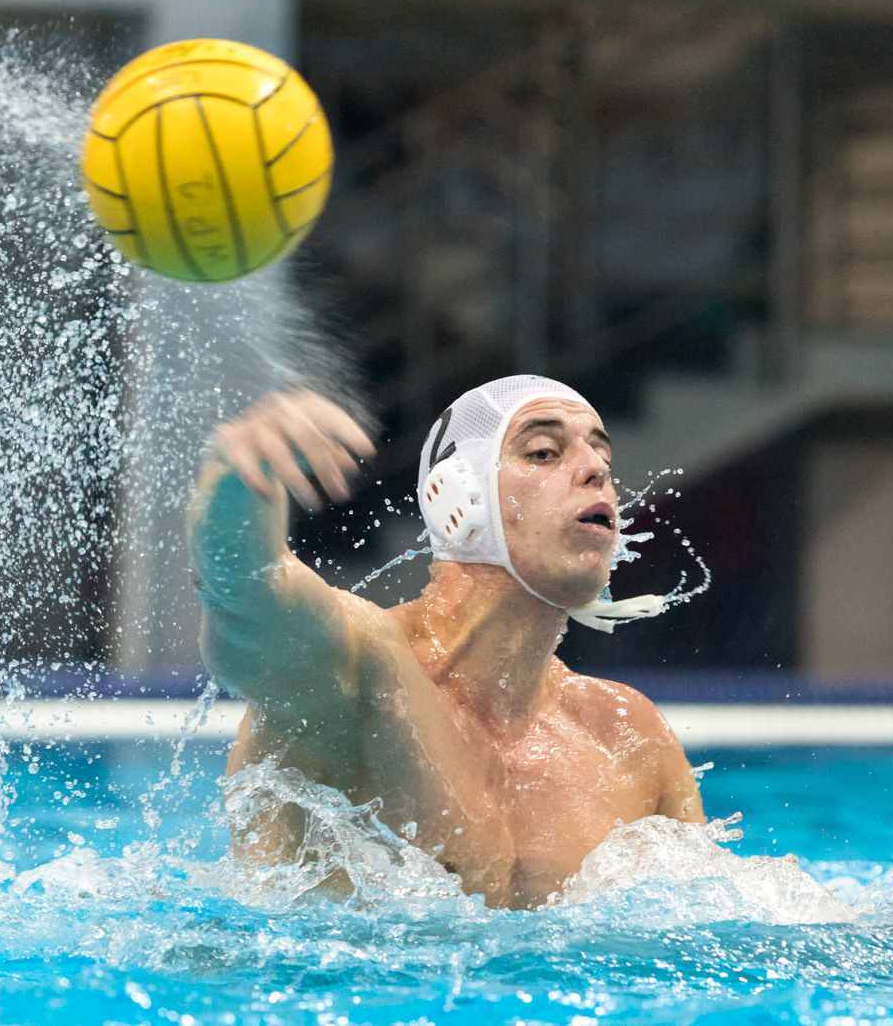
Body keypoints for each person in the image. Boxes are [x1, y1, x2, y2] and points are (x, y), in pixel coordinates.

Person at [188, 376, 705, 909]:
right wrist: (234, 474)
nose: (596, 470)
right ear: (459, 495)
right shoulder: (358, 670)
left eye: (602, 457)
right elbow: (244, 596)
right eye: (544, 452)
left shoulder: (628, 738)